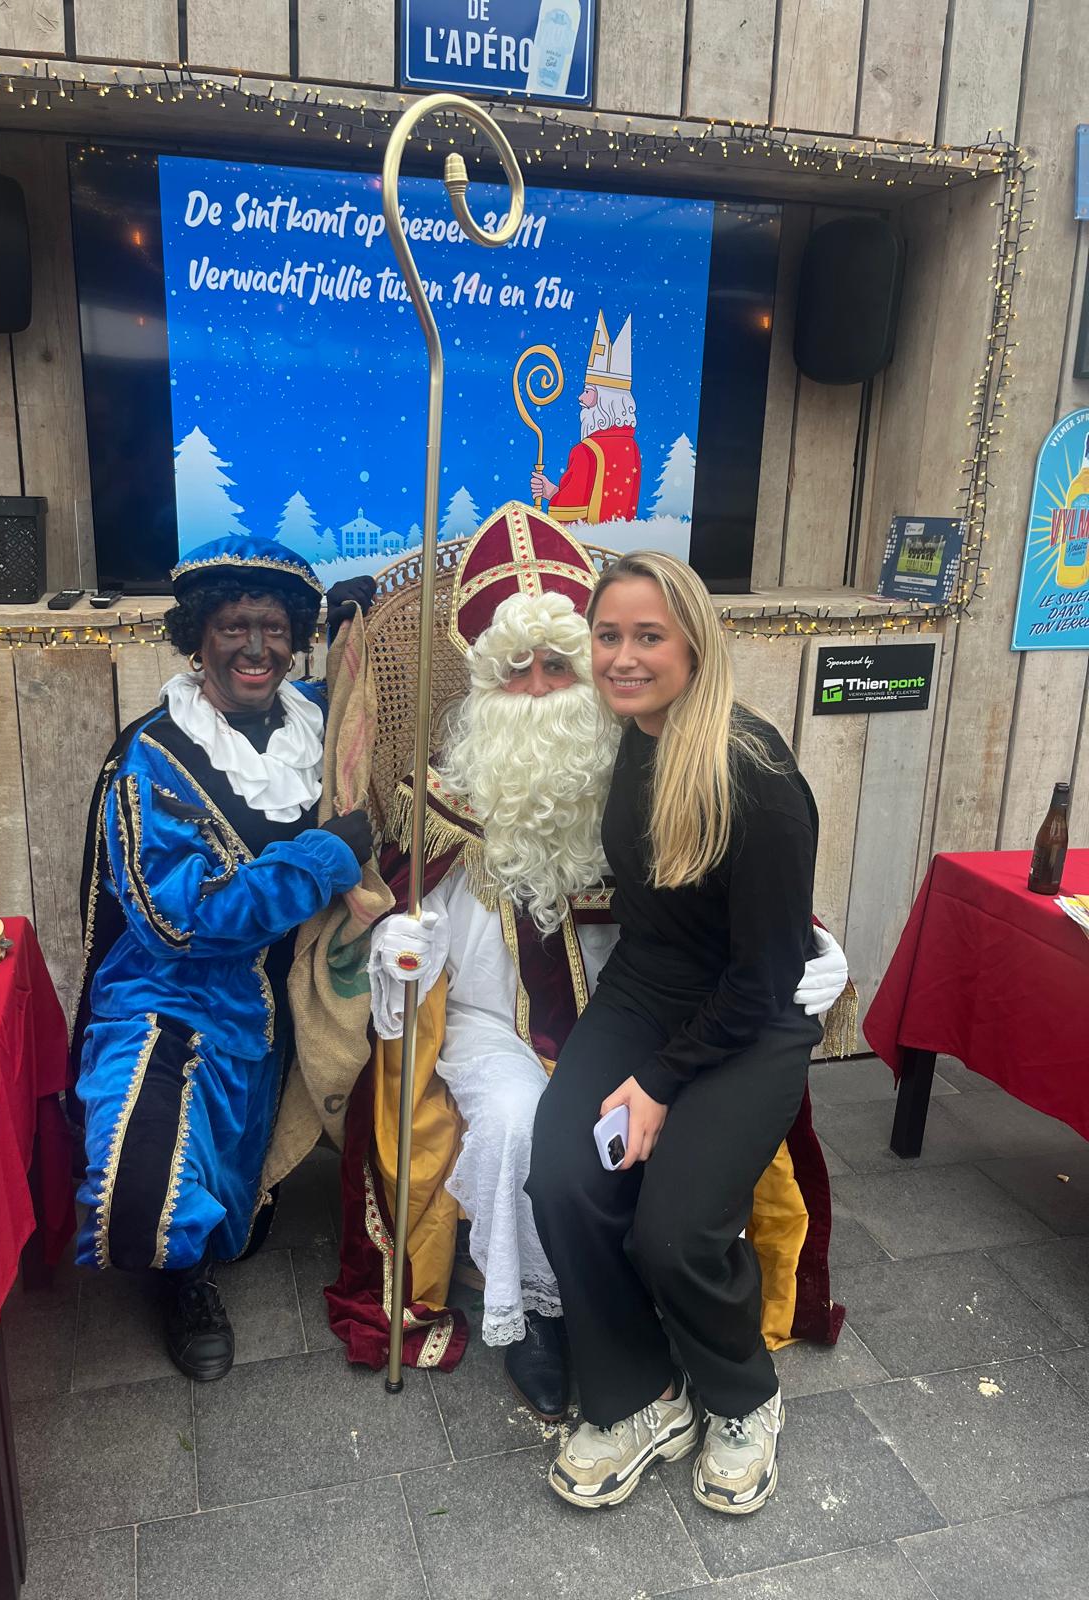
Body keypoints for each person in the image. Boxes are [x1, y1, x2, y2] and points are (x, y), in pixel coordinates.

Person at [326, 507, 849, 1421]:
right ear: (487, 681)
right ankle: (542, 1316)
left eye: (558, 664)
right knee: (527, 1127)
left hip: (649, 1012)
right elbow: (413, 924)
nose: (539, 687)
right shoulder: (444, 794)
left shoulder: (648, 757)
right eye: (517, 668)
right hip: (494, 1023)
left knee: (649, 1150)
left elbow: (725, 894)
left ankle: (659, 1313)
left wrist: (813, 947)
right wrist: (401, 950)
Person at [527, 549, 827, 1516]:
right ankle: (643, 1392)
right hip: (647, 992)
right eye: (607, 635)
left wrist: (660, 1080)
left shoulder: (756, 775)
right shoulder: (632, 739)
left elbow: (766, 973)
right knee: (563, 1176)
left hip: (751, 1019)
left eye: (647, 637)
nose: (622, 657)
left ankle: (742, 1397)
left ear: (693, 644)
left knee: (674, 1231)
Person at [70, 533, 375, 1382]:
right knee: (141, 1183)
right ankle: (183, 1284)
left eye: (275, 628)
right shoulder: (151, 760)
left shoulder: (312, 718)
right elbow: (182, 921)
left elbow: (374, 706)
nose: (255, 648)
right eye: (235, 627)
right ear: (198, 637)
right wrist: (322, 858)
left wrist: (360, 632)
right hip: (171, 998)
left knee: (245, 1218)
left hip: (285, 1002)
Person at [531, 311, 641, 524]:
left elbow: (570, 513)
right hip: (622, 541)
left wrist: (551, 492)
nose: (581, 398)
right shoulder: (631, 447)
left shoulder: (586, 451)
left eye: (588, 391)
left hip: (589, 542)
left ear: (606, 399)